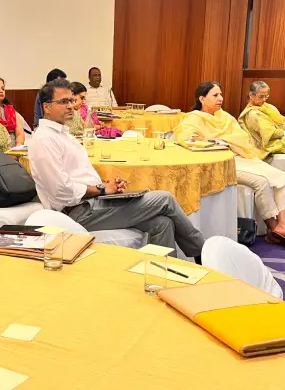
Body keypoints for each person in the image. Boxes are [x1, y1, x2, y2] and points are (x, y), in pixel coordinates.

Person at [29, 79, 205, 257]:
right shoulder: (45, 139)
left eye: (71, 100)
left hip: (93, 203)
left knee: (162, 223)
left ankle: (163, 272)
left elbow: (76, 176)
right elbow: (61, 190)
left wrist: (105, 186)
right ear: (47, 107)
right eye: (63, 102)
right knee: (164, 198)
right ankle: (203, 252)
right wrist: (101, 189)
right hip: (78, 212)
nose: (70, 106)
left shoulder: (62, 134)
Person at [176, 83, 285, 250]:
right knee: (262, 182)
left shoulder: (225, 117)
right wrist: (223, 141)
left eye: (221, 94)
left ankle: (283, 225)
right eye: (215, 95)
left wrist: (220, 141)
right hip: (220, 164)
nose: (220, 98)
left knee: (282, 178)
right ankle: (273, 228)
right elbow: (187, 140)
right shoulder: (192, 119)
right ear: (202, 98)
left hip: (241, 157)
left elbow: (242, 139)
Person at [238, 81, 285, 157]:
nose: (264, 99)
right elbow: (271, 135)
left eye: (266, 96)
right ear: (251, 96)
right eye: (261, 96)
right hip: (268, 144)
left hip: (282, 134)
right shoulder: (253, 114)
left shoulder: (267, 106)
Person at [0, 76, 24, 147]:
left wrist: (18, 147)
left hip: (15, 149)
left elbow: (20, 133)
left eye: (3, 89)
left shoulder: (10, 110)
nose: (1, 91)